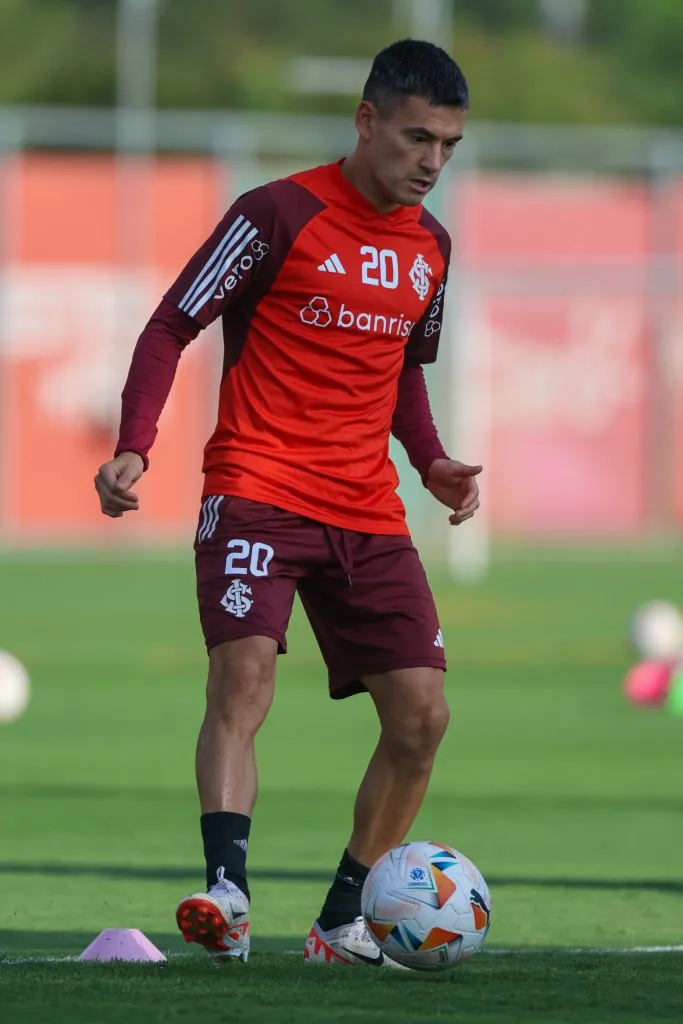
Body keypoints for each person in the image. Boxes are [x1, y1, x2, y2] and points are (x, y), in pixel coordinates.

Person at [94, 38, 481, 967]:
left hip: (369, 510)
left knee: (422, 717)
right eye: (416, 138)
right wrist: (133, 446)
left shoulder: (430, 245)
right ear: (366, 122)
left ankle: (343, 918)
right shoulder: (275, 213)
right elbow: (170, 322)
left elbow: (402, 371)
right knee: (243, 681)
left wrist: (427, 460)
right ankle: (226, 893)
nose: (430, 162)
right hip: (257, 490)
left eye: (448, 146)